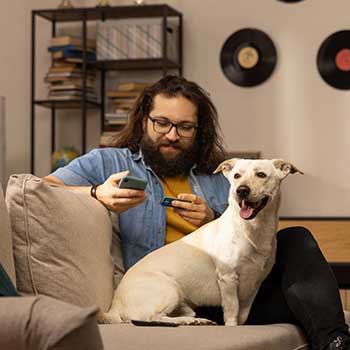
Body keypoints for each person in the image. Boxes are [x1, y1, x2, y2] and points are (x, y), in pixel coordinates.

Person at [44, 75, 349, 350]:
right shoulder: (107, 162)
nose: (173, 135)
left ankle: (336, 342)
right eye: (161, 123)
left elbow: (237, 238)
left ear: (198, 130)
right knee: (304, 299)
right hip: (171, 295)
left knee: (297, 239)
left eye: (185, 127)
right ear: (143, 121)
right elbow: (41, 188)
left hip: (235, 289)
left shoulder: (220, 176)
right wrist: (97, 193)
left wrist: (211, 219)